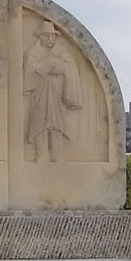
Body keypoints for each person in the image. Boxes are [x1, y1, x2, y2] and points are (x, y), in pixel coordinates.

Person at [23, 21, 83, 163]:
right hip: (40, 91)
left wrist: (52, 65)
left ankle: (57, 154)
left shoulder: (61, 51)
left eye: (52, 36)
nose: (50, 39)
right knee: (40, 123)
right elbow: (31, 67)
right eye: (47, 36)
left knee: (56, 124)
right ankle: (42, 154)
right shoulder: (33, 51)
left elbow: (68, 66)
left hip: (56, 92)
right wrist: (45, 66)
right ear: (41, 37)